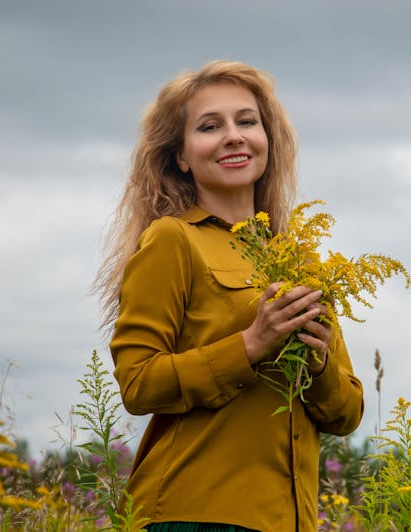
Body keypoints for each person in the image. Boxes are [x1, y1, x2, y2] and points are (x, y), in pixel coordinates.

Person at [95, 60, 364, 532]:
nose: (234, 136)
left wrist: (319, 364)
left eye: (247, 121)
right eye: (210, 126)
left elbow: (346, 415)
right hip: (194, 516)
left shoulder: (300, 261)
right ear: (181, 156)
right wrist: (251, 345)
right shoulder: (173, 240)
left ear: (268, 140)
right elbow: (138, 383)